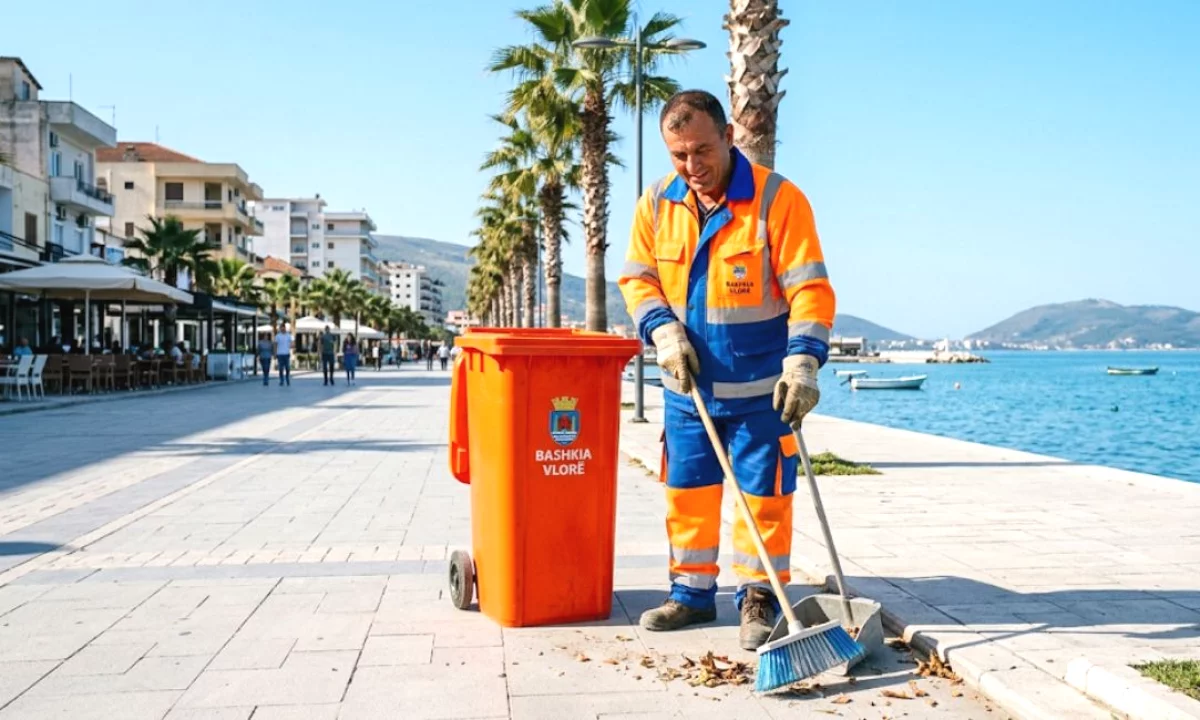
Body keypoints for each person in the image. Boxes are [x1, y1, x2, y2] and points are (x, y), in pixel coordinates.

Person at [617, 90, 835, 650]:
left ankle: (760, 598)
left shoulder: (777, 201)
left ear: (729, 136)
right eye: (678, 155)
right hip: (686, 389)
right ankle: (690, 594)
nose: (692, 166)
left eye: (701, 151)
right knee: (687, 491)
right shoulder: (656, 203)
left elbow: (809, 288)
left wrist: (804, 362)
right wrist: (661, 331)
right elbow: (638, 280)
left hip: (763, 390)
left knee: (763, 497)